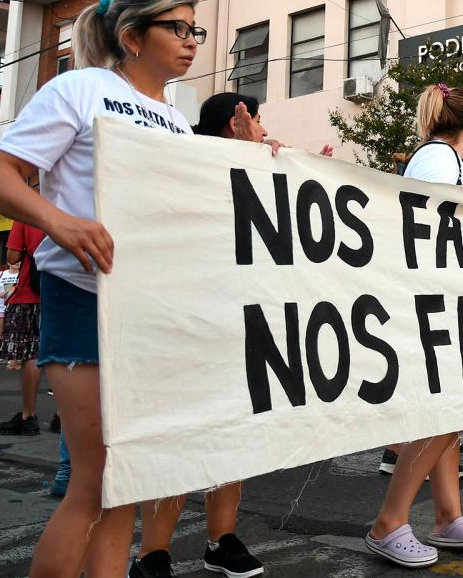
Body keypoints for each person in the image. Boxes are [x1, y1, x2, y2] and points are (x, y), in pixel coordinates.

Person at [0, 0, 267, 578]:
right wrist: (63, 224)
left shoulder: (174, 121)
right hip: (84, 300)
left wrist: (249, 158)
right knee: (95, 480)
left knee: (125, 482)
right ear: (132, 38)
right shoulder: (80, 89)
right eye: (178, 28)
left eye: (195, 30)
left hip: (152, 311)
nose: (191, 42)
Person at [126, 93, 297, 578]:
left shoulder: (258, 162)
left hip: (240, 319)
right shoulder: (187, 160)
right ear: (234, 123)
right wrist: (246, 158)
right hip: (184, 317)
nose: (264, 129)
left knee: (233, 432)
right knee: (179, 432)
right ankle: (152, 552)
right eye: (257, 119)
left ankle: (222, 539)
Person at [365, 83, 463, 569]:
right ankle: (389, 523)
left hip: (441, 297)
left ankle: (447, 516)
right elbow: (440, 206)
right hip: (432, 300)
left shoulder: (437, 155)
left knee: (449, 411)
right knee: (442, 412)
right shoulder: (440, 157)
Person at [0, 261, 18, 350]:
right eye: (15, 261)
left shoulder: (22, 274)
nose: (17, 263)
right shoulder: (0, 274)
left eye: (20, 261)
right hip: (0, 307)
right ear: (8, 263)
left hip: (16, 307)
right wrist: (1, 294)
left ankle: (13, 355)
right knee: (1, 331)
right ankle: (1, 354)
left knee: (15, 331)